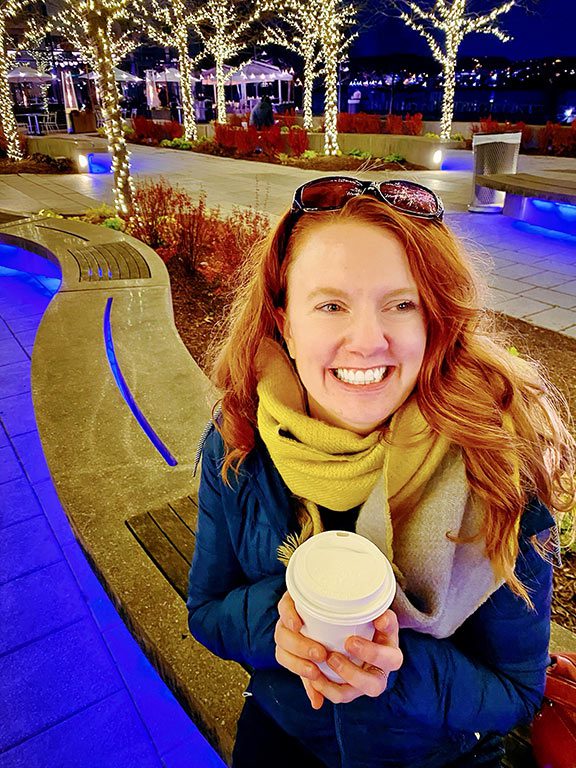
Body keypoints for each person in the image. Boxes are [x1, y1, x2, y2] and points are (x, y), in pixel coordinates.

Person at [187, 177, 576, 768]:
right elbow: (208, 609)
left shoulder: (498, 464)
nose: (368, 342)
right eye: (331, 305)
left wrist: (396, 669)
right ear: (286, 323)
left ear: (434, 322)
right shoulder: (238, 443)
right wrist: (281, 625)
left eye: (401, 304)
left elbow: (516, 691)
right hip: (285, 734)